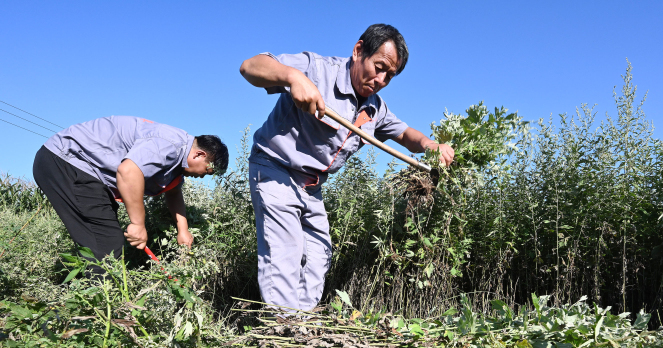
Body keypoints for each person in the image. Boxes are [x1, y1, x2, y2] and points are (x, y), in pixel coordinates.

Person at [239, 23, 455, 313]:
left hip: (312, 185)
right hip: (275, 169)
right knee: (285, 251)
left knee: (319, 254)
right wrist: (294, 77)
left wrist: (431, 145)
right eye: (379, 67)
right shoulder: (316, 69)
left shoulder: (375, 110)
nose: (380, 79)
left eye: (389, 76)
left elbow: (405, 134)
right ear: (358, 51)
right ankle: (283, 327)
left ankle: (300, 320)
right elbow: (250, 67)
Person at [33, 115, 229, 273]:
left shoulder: (178, 159)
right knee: (107, 245)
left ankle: (99, 303)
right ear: (199, 155)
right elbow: (128, 171)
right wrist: (137, 224)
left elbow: (174, 191)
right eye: (207, 171)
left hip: (84, 171)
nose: (203, 177)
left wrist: (183, 230)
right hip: (67, 161)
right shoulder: (170, 144)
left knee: (104, 240)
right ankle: (96, 313)